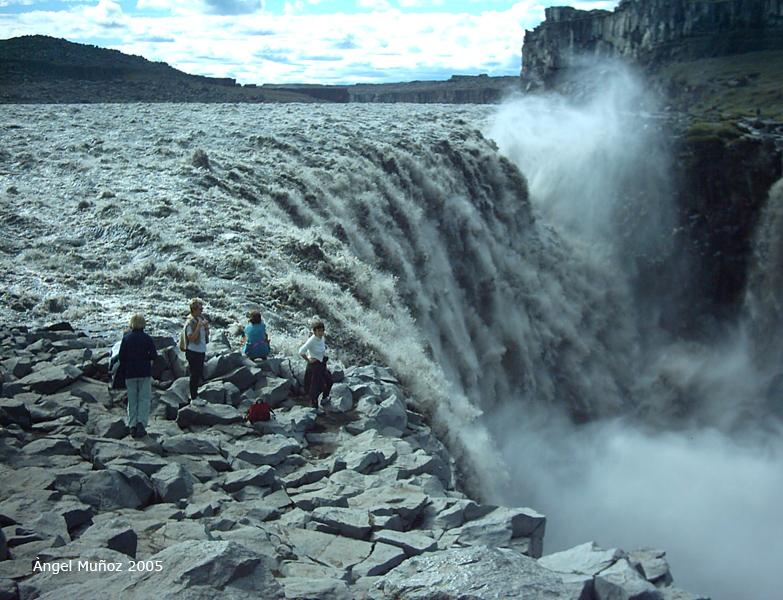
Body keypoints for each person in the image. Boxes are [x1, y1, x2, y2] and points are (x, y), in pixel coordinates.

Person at [118, 313, 158, 438]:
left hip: (130, 373)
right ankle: (141, 424)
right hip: (144, 372)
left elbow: (121, 357)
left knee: (132, 400)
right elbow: (154, 356)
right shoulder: (147, 338)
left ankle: (132, 426)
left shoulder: (126, 338)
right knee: (144, 399)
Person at [298, 320, 332, 410]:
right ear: (314, 331)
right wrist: (308, 360)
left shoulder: (322, 338)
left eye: (322, 330)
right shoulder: (311, 340)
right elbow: (301, 351)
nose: (321, 333)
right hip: (314, 366)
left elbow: (321, 349)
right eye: (319, 331)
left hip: (321, 364)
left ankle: (324, 398)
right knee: (315, 387)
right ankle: (314, 406)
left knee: (329, 380)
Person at [184, 298, 209, 403]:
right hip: (193, 352)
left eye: (202, 309)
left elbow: (206, 337)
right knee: (194, 374)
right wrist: (198, 327)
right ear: (193, 310)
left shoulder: (201, 319)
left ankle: (195, 395)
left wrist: (207, 328)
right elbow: (191, 338)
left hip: (201, 350)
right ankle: (193, 398)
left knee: (198, 374)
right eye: (200, 309)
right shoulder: (190, 322)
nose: (201, 311)